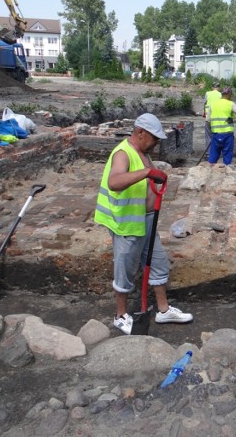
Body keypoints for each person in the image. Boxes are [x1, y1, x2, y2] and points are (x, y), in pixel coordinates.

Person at [94, 113, 193, 335]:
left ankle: (163, 310)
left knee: (158, 263)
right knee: (125, 270)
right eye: (154, 138)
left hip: (146, 220)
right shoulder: (123, 153)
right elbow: (114, 182)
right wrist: (147, 172)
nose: (157, 143)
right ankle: (120, 316)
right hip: (127, 224)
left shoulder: (142, 152)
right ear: (140, 133)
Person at [207, 87, 236, 165]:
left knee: (213, 157)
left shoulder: (213, 104)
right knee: (227, 157)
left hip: (216, 134)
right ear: (229, 94)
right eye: (231, 95)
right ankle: (227, 172)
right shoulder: (230, 104)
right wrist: (232, 121)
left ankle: (210, 172)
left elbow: (208, 120)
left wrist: (212, 130)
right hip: (227, 135)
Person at [203, 82, 221, 146]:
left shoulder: (207, 93)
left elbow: (204, 103)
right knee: (216, 134)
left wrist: (204, 113)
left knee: (208, 134)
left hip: (208, 117)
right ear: (219, 88)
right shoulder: (220, 95)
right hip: (217, 117)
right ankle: (216, 150)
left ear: (212, 87)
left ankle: (209, 152)